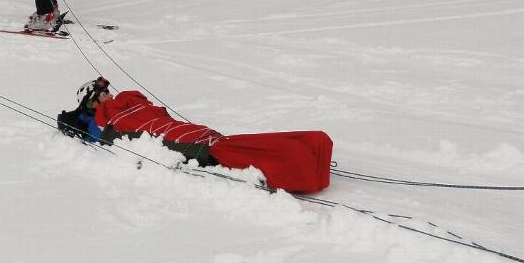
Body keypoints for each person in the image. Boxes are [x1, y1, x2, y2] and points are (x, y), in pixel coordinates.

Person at [59, 78, 333, 193]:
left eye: (106, 91)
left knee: (218, 143)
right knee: (217, 149)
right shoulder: (100, 122)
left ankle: (304, 150)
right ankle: (299, 156)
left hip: (175, 128)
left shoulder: (125, 102)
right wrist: (73, 120)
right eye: (101, 95)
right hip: (163, 136)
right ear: (91, 104)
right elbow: (85, 130)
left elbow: (149, 112)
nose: (109, 95)